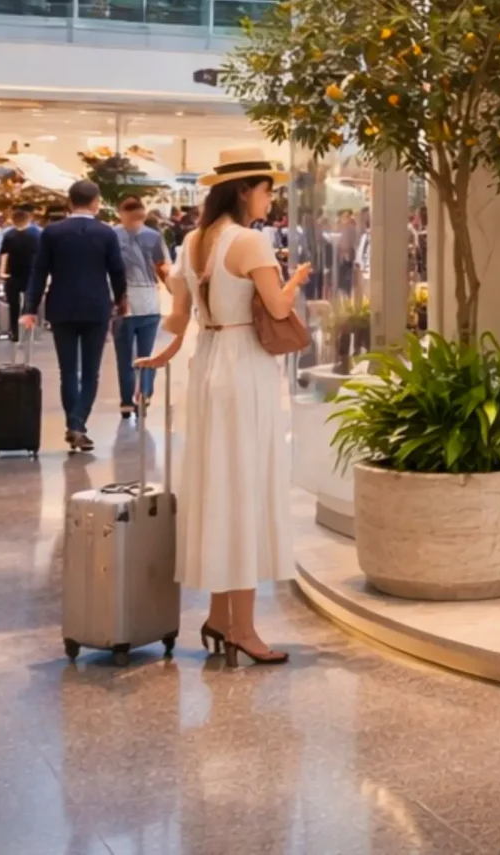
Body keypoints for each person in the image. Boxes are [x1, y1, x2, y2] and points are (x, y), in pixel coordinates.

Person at [138, 145, 309, 666]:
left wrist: (162, 354)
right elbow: (278, 307)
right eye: (266, 189)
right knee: (246, 487)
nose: (269, 199)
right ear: (244, 190)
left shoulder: (193, 241)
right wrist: (296, 279)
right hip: (245, 367)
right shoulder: (250, 242)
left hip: (209, 364)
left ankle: (219, 617)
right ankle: (244, 630)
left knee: (218, 487)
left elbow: (181, 315)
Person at [21, 182, 128, 454]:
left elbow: (40, 271)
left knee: (68, 370)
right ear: (95, 202)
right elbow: (117, 271)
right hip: (96, 307)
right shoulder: (106, 233)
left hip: (61, 306)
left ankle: (74, 423)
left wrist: (30, 308)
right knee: (91, 372)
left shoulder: (52, 232)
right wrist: (121, 301)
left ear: (69, 202)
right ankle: (78, 424)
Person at [111, 196, 173, 418]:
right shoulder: (154, 236)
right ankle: (144, 395)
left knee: (124, 356)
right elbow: (162, 268)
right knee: (146, 354)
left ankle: (127, 401)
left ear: (121, 213)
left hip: (122, 303)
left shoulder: (112, 235)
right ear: (143, 214)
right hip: (149, 302)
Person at [0, 209, 42, 342]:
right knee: (28, 304)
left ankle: (15, 331)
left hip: (14, 272)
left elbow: (4, 254)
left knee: (14, 304)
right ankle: (26, 331)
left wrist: (1, 271)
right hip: (30, 272)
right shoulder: (36, 234)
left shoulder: (9, 235)